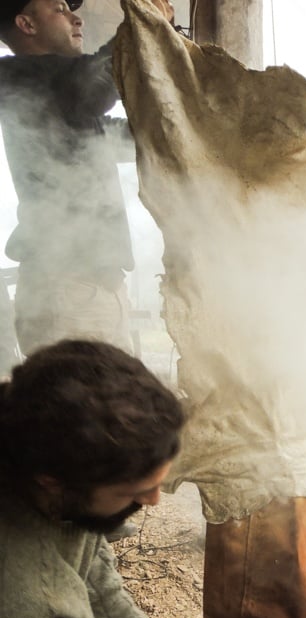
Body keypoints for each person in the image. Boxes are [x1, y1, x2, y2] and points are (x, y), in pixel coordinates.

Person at [0, 339, 243, 618]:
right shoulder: (22, 591)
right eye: (134, 492)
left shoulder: (40, 456)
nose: (153, 501)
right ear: (52, 481)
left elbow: (96, 585)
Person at [0, 0, 171, 356]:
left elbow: (117, 138)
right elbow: (90, 90)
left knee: (114, 408)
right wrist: (140, 27)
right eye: (59, 8)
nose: (75, 17)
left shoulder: (58, 94)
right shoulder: (16, 76)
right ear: (26, 24)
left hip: (92, 290)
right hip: (68, 292)